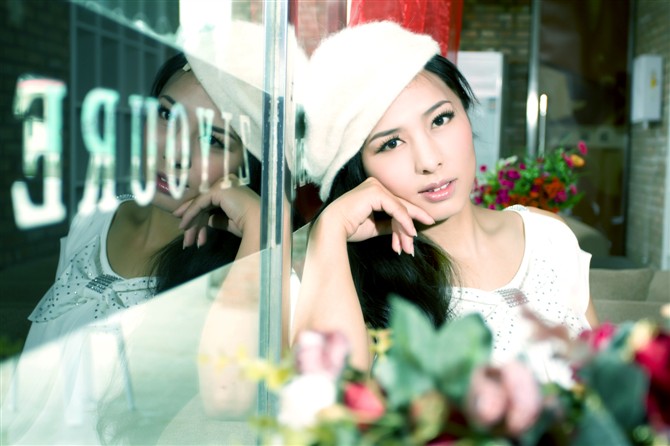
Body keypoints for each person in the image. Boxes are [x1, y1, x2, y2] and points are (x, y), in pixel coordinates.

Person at [292, 21, 599, 384]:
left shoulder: (548, 236)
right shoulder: (355, 284)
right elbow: (326, 402)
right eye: (391, 143)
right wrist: (329, 228)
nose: (429, 160)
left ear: (465, 112)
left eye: (440, 119)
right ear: (359, 172)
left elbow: (608, 381)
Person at [3, 44, 264, 444]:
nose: (174, 151)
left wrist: (260, 224)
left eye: (212, 139)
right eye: (167, 115)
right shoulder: (94, 220)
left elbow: (231, 402)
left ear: (246, 167)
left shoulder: (238, 271)